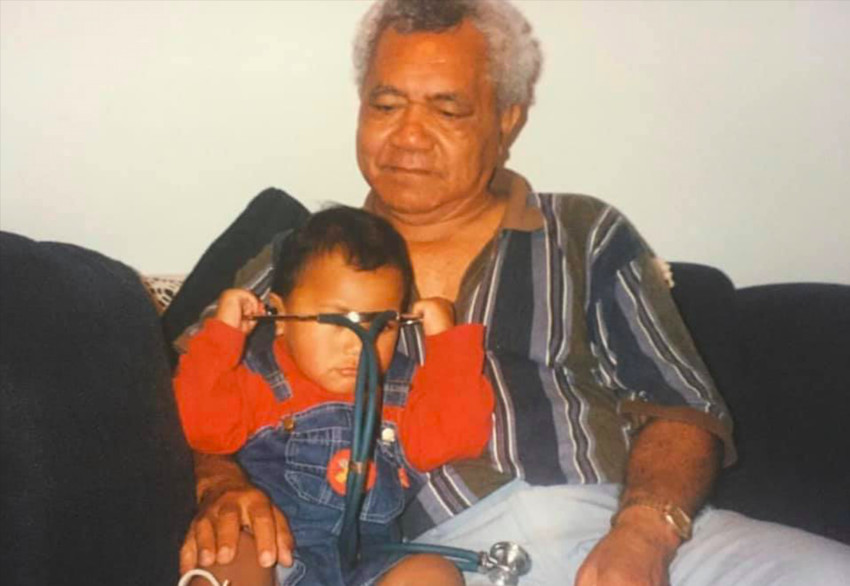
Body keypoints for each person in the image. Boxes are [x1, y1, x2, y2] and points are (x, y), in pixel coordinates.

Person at [171, 1, 850, 585]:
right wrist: (221, 483)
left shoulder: (583, 232)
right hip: (432, 552)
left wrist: (645, 533)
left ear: (508, 119)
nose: (408, 136)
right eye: (385, 103)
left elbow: (682, 406)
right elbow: (177, 390)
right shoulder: (303, 256)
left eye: (447, 108)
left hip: (620, 520)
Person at [173, 206, 494, 586]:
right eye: (337, 320)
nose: (360, 344)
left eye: (383, 324)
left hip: (370, 567)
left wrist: (446, 345)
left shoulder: (402, 389)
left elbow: (455, 440)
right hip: (274, 554)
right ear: (280, 315)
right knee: (227, 555)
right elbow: (200, 428)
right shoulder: (259, 379)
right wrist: (223, 336)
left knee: (433, 573)